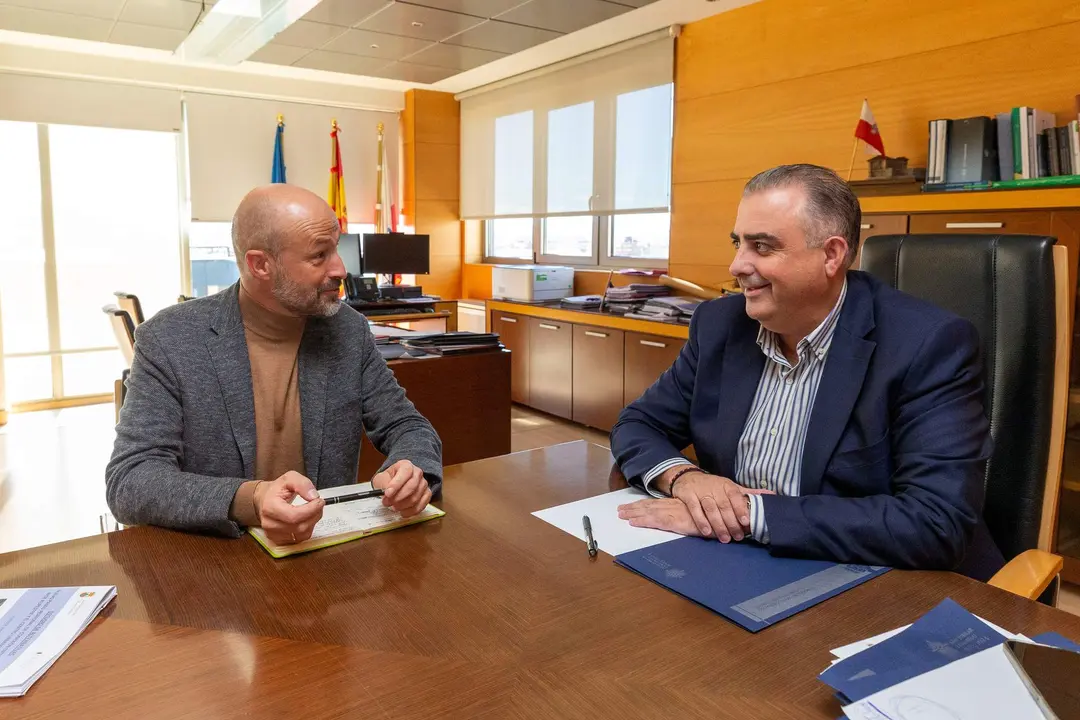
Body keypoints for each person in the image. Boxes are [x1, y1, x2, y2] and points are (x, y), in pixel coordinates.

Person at [612, 164, 1004, 580]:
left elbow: (935, 522)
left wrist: (748, 514)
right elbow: (639, 423)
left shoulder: (927, 344)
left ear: (831, 255)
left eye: (761, 247)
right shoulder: (720, 324)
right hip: (738, 565)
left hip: (880, 583)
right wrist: (685, 479)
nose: (737, 266)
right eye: (738, 243)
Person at [107, 184, 442, 545]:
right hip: (216, 562)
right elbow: (131, 480)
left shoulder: (347, 329)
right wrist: (249, 500)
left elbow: (407, 426)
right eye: (319, 256)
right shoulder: (170, 339)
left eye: (336, 248)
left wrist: (410, 467)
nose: (341, 269)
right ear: (260, 265)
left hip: (326, 560)